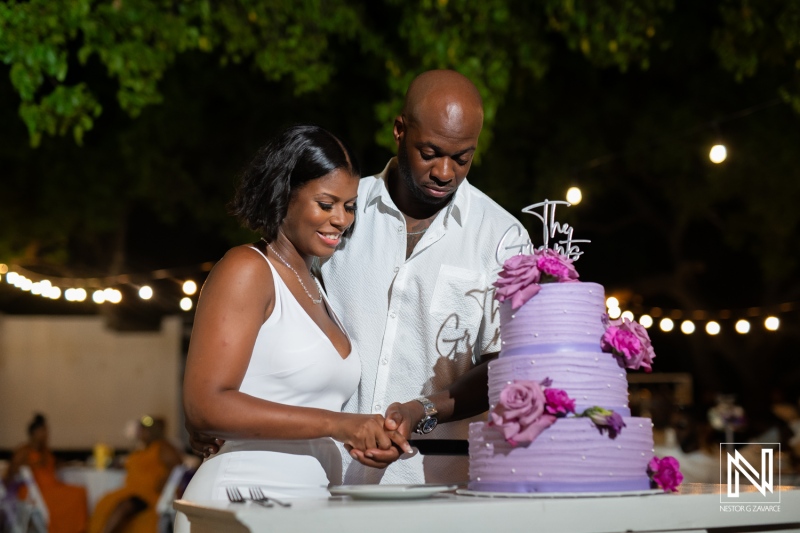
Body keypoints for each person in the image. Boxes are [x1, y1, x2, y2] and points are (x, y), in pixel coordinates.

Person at [190, 71, 531, 485]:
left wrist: (422, 409)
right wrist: (216, 406)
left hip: (434, 476)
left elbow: (506, 364)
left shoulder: (501, 237)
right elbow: (273, 303)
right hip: (324, 473)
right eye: (430, 152)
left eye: (462, 158)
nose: (445, 171)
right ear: (399, 130)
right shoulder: (345, 208)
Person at [176, 124, 410, 531]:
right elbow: (205, 405)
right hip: (242, 500)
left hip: (309, 507)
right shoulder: (247, 269)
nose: (341, 219)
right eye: (326, 203)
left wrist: (366, 437)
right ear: (285, 194)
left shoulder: (318, 283)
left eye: (350, 206)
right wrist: (340, 425)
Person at [88, 416, 182, 533]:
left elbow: (177, 468)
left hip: (149, 494)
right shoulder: (142, 448)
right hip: (131, 490)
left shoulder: (163, 447)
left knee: (124, 507)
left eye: (142, 430)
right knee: (105, 503)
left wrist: (165, 483)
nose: (139, 433)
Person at [4, 413, 89, 533]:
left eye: (47, 431)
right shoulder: (24, 451)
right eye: (43, 431)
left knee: (80, 492)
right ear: (34, 433)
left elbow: (55, 465)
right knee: (74, 496)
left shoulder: (45, 451)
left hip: (53, 486)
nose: (46, 434)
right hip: (35, 491)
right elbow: (11, 473)